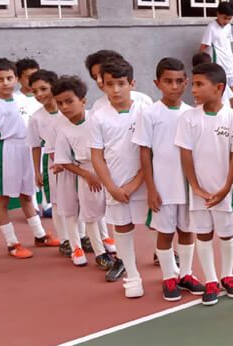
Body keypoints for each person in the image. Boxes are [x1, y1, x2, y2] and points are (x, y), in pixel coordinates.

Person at [175, 62, 233, 306]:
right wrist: (195, 186)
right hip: (200, 192)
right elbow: (185, 154)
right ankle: (211, 280)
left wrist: (226, 188)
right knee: (203, 234)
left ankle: (227, 275)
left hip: (225, 191)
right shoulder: (188, 118)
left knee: (226, 234)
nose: (193, 89)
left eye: (199, 84)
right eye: (193, 84)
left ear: (219, 88)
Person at [134, 57, 199, 302]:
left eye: (179, 81)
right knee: (165, 232)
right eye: (168, 81)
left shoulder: (191, 113)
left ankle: (186, 274)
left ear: (186, 83)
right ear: (157, 83)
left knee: (187, 230)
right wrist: (151, 189)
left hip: (186, 186)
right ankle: (168, 276)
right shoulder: (149, 114)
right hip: (163, 185)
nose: (174, 86)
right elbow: (144, 151)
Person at [0, 58, 60, 260]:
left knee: (27, 194)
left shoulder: (25, 100)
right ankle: (12, 243)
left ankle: (40, 235)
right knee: (3, 197)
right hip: (8, 150)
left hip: (27, 148)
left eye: (9, 78)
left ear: (16, 78)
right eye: (0, 79)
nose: (5, 82)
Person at [89, 58, 149, 299]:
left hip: (144, 184)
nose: (115, 89)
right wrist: (112, 187)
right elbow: (97, 156)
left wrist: (136, 182)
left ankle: (171, 270)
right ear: (102, 85)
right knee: (123, 227)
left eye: (121, 83)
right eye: (110, 84)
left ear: (131, 84)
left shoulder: (145, 110)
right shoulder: (98, 116)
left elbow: (150, 151)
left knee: (158, 224)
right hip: (116, 187)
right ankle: (133, 276)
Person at [52, 75, 120, 272]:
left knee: (111, 210)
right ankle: (100, 254)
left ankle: (113, 244)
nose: (64, 107)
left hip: (107, 169)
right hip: (86, 174)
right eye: (60, 103)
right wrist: (86, 175)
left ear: (83, 101)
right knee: (90, 215)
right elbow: (64, 160)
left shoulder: (97, 119)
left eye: (69, 101)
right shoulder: (61, 128)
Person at [25, 69, 69, 256]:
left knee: (78, 200)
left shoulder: (67, 109)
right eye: (34, 91)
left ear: (54, 86)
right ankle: (66, 240)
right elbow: (35, 146)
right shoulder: (36, 117)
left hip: (74, 162)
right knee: (58, 203)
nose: (39, 94)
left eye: (43, 88)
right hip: (51, 163)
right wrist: (37, 171)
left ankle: (83, 237)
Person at [199, 2, 233, 108]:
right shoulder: (211, 28)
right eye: (225, 18)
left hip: (230, 65)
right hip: (219, 68)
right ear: (218, 14)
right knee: (223, 97)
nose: (227, 21)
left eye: (229, 19)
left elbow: (227, 45)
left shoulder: (228, 27)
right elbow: (203, 48)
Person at [15, 58, 43, 125]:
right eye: (29, 77)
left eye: (36, 76)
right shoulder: (12, 100)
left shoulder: (47, 98)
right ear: (18, 79)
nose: (33, 80)